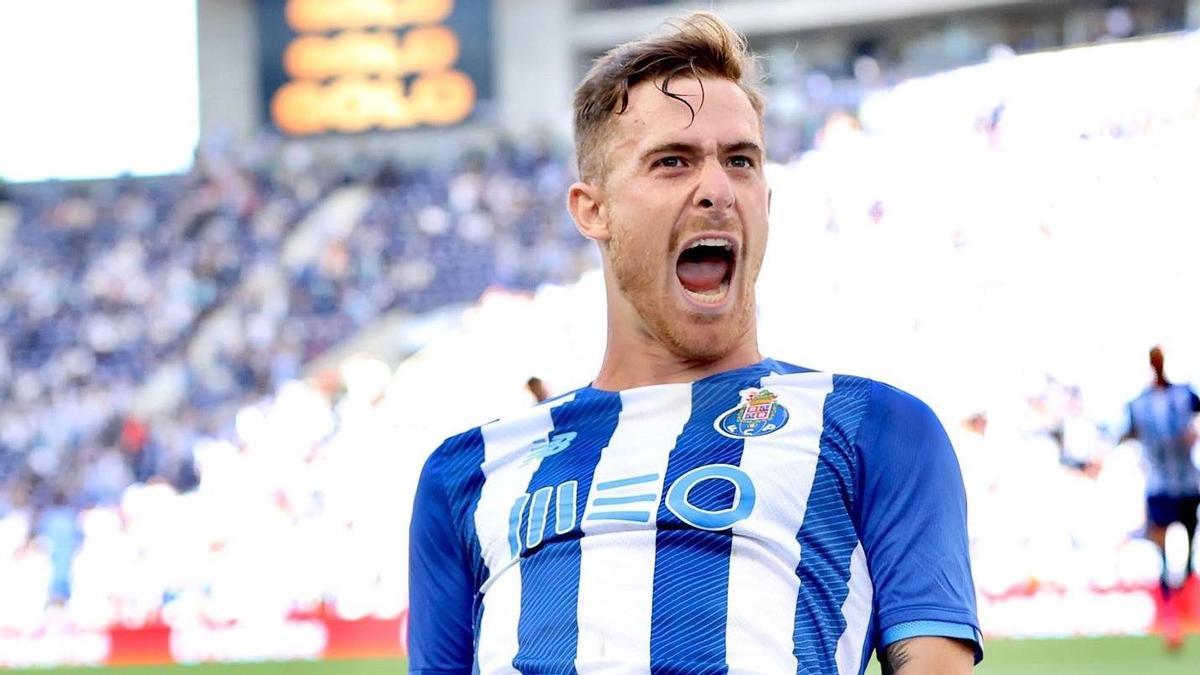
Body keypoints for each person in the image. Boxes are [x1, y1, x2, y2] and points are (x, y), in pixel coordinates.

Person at [409, 12, 981, 674]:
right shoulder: (468, 471)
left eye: (740, 161)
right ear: (592, 209)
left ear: (765, 197)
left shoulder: (876, 428)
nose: (716, 191)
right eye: (673, 162)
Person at [1122, 345, 1200, 650]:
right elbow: (1125, 434)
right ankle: (1172, 621)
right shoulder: (1139, 403)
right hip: (1159, 487)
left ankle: (1185, 614)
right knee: (1165, 556)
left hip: (1186, 485)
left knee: (1189, 552)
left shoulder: (1183, 395)